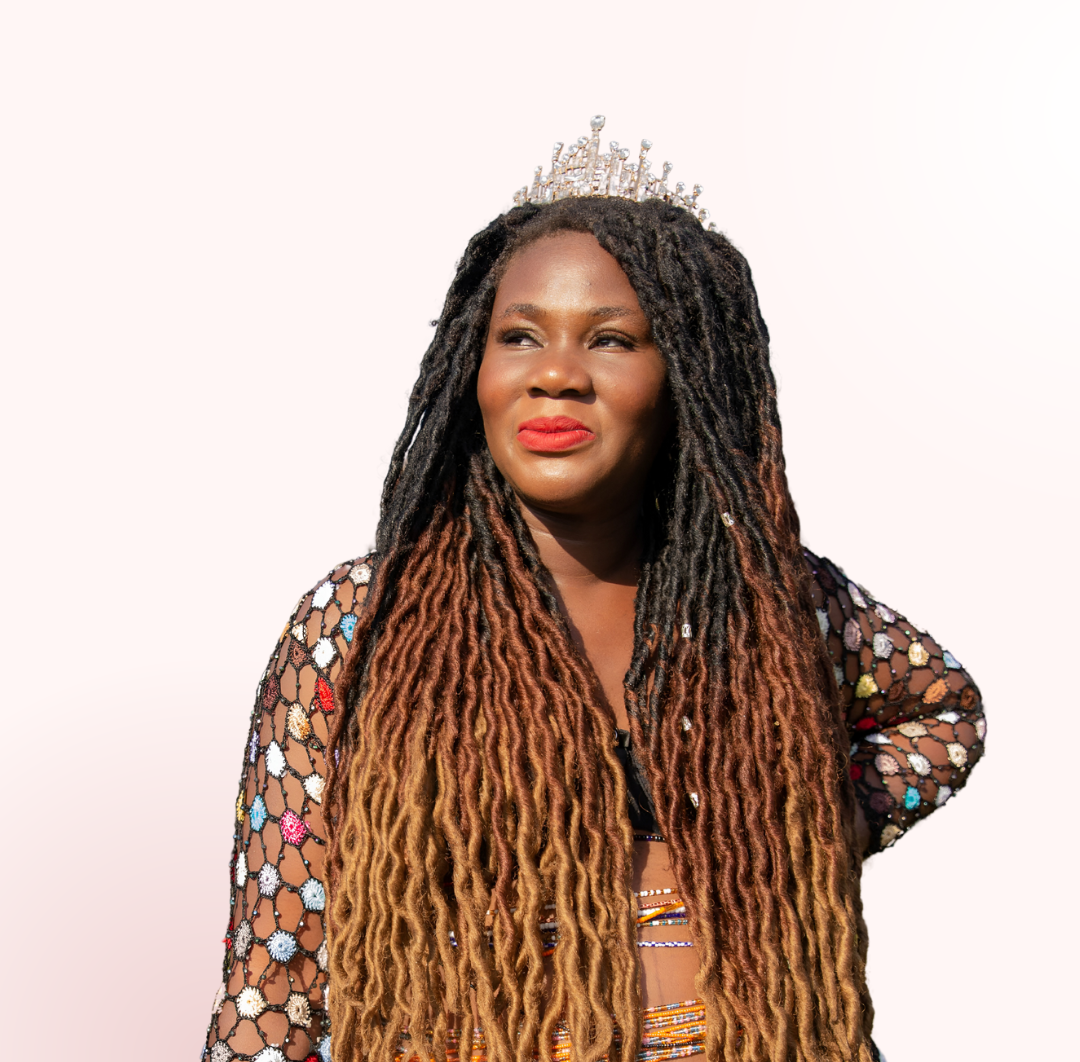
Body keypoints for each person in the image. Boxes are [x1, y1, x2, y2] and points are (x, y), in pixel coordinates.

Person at [202, 118, 984, 1062]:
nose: (556, 375)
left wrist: (804, 820)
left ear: (686, 381)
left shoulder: (764, 607)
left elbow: (944, 711)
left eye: (610, 339)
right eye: (520, 336)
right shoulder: (362, 624)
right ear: (473, 370)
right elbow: (276, 967)